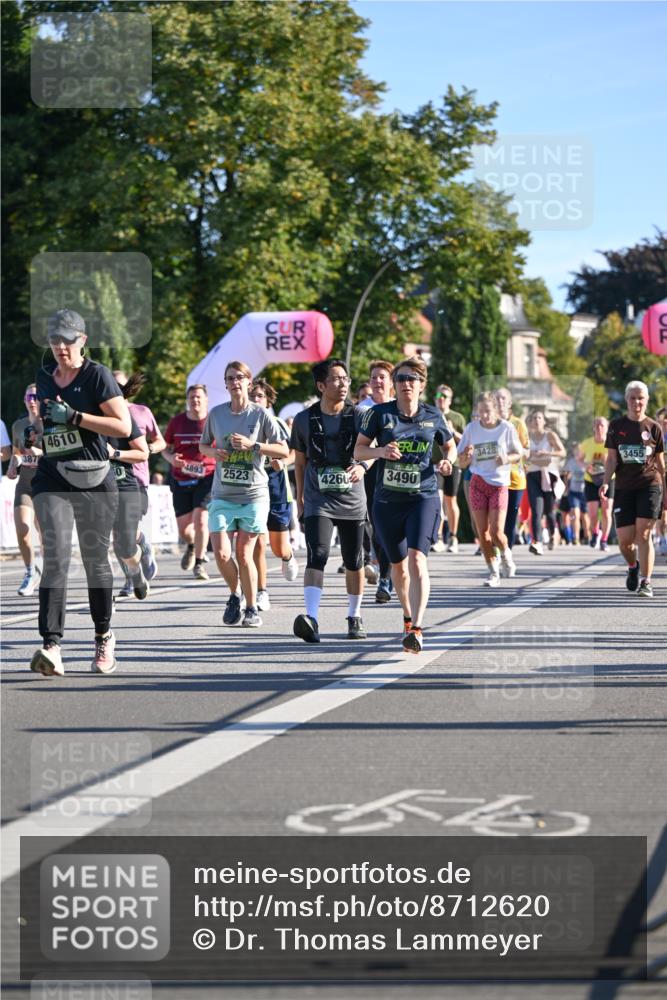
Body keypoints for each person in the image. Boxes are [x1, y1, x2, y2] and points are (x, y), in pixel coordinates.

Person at [29, 309, 131, 677]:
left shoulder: (97, 375)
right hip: (53, 475)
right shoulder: (44, 376)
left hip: (93, 479)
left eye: (67, 340)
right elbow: (44, 423)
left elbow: (123, 425)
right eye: (54, 340)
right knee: (54, 556)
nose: (60, 347)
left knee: (94, 561)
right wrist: (36, 431)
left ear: (82, 341)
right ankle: (51, 645)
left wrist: (75, 417)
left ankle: (103, 635)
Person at [355, 356, 456, 652]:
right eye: (400, 379)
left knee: (417, 560)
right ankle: (407, 617)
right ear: (395, 385)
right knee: (398, 568)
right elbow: (359, 451)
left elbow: (448, 444)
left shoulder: (433, 415)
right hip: (386, 502)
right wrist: (381, 451)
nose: (405, 384)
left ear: (422, 385)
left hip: (423, 497)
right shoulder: (380, 415)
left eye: (411, 379)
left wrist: (448, 460)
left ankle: (418, 628)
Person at [200, 361, 288, 628]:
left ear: (249, 382)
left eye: (240, 377)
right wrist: (214, 453)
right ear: (225, 384)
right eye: (230, 378)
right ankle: (235, 595)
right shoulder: (215, 414)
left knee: (244, 553)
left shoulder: (261, 415)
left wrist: (254, 445)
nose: (235, 382)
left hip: (253, 494)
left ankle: (251, 608)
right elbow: (203, 446)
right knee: (222, 554)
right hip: (222, 494)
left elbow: (283, 450)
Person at [291, 358, 369, 644]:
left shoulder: (360, 416)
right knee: (318, 554)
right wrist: (300, 498)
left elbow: (371, 451)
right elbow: (299, 462)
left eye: (346, 378)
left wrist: (363, 467)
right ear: (321, 385)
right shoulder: (303, 419)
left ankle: (354, 615)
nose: (343, 383)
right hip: (317, 499)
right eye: (336, 379)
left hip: (352, 500)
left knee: (353, 559)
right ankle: (311, 618)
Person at [601, 380, 665, 598]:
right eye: (632, 398)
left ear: (646, 401)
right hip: (624, 487)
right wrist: (606, 481)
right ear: (627, 400)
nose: (637, 402)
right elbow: (610, 459)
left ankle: (646, 581)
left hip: (649, 485)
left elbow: (660, 464)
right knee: (625, 541)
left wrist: (666, 491)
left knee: (644, 534)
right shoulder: (616, 427)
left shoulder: (654, 428)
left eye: (641, 398)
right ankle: (632, 566)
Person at [457, 392, 522, 586]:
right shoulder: (471, 429)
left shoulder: (506, 428)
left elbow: (518, 454)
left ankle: (506, 555)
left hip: (499, 484)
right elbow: (461, 462)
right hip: (478, 482)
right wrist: (466, 457)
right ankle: (493, 572)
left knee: (496, 532)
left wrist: (506, 458)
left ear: (495, 411)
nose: (484, 416)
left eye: (487, 411)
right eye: (481, 411)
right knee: (482, 532)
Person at [248, 377, 299, 611]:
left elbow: (294, 453)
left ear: (268, 401)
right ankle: (261, 591)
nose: (255, 400)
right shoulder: (242, 423)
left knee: (278, 548)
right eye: (252, 396)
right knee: (258, 541)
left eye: (259, 396)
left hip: (277, 488)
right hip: (252, 489)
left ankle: (287, 557)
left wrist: (283, 462)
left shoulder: (277, 422)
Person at [112, 372, 164, 595]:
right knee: (117, 535)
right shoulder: (102, 414)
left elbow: (159, 441)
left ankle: (142, 544)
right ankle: (130, 576)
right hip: (110, 480)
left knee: (128, 534)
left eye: (119, 385)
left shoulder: (142, 412)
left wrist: (146, 450)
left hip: (138, 480)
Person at [163, 384, 215, 580]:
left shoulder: (213, 421)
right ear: (188, 400)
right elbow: (164, 447)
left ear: (206, 399)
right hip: (181, 478)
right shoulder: (177, 422)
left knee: (201, 520)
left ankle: (200, 563)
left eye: (199, 397)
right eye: (192, 397)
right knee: (184, 529)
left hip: (207, 477)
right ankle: (192, 546)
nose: (196, 400)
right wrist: (171, 460)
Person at [363, 359, 395, 603]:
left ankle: (390, 575)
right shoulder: (361, 409)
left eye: (382, 376)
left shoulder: (400, 408)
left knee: (392, 529)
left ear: (391, 381)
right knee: (378, 528)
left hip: (396, 473)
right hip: (370, 474)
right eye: (374, 377)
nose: (377, 381)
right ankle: (385, 575)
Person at [8, 384, 43, 596]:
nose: (32, 399)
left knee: (46, 535)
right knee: (22, 528)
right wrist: (14, 464)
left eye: (36, 396)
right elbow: (17, 453)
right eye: (29, 396)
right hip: (26, 483)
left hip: (47, 484)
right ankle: (31, 571)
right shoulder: (18, 425)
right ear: (24, 399)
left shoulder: (51, 424)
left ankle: (45, 571)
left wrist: (36, 451)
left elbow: (57, 453)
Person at [525, 410, 566, 554]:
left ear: (544, 421)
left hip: (548, 475)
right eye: (534, 418)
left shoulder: (549, 435)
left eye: (539, 418)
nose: (536, 420)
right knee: (536, 510)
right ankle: (536, 542)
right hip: (532, 474)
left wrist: (547, 453)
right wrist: (528, 456)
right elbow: (521, 455)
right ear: (530, 422)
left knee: (549, 511)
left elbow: (562, 452)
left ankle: (553, 534)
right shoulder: (526, 436)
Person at [432, 384, 466, 552]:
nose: (441, 398)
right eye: (439, 394)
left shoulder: (457, 417)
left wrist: (453, 431)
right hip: (435, 464)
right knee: (437, 500)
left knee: (450, 501)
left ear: (450, 400)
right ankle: (438, 538)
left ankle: (452, 537)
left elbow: (466, 442)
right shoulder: (430, 415)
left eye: (445, 396)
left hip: (453, 464)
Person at [494, 387, 529, 550]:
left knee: (510, 517)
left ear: (509, 403)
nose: (500, 401)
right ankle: (494, 547)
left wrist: (511, 455)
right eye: (497, 398)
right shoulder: (489, 423)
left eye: (503, 398)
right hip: (494, 477)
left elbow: (526, 449)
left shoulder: (518, 423)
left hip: (515, 477)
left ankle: (507, 550)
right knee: (495, 515)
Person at [579, 416, 613, 550]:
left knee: (606, 511)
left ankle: (604, 540)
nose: (599, 428)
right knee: (592, 514)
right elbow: (579, 459)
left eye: (602, 425)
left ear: (607, 428)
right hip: (591, 480)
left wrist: (609, 463)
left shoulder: (612, 443)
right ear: (593, 427)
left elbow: (619, 461)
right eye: (597, 425)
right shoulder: (587, 443)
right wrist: (585, 465)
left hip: (609, 479)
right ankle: (595, 533)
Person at [562, 443, 588, 545]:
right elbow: (566, 475)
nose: (577, 452)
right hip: (573, 492)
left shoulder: (586, 461)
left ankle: (587, 536)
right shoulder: (571, 462)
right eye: (575, 450)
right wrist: (566, 487)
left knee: (585, 517)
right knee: (575, 515)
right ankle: (575, 537)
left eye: (578, 450)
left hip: (584, 492)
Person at [654, 406, 667, 555]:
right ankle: (662, 537)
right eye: (662, 421)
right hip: (659, 477)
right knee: (662, 514)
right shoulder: (655, 436)